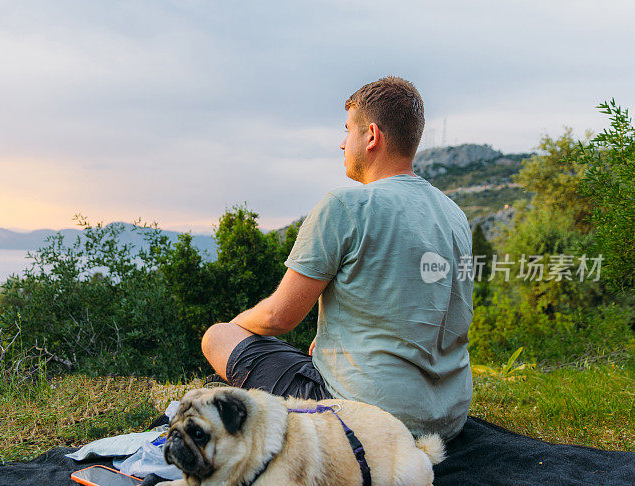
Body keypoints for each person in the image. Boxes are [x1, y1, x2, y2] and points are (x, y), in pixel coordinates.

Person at [201, 77, 473, 440]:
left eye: (348, 130)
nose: (342, 143)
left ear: (371, 136)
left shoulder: (346, 206)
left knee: (217, 336)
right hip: (448, 419)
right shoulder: (455, 214)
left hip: (369, 419)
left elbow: (279, 317)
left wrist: (239, 326)